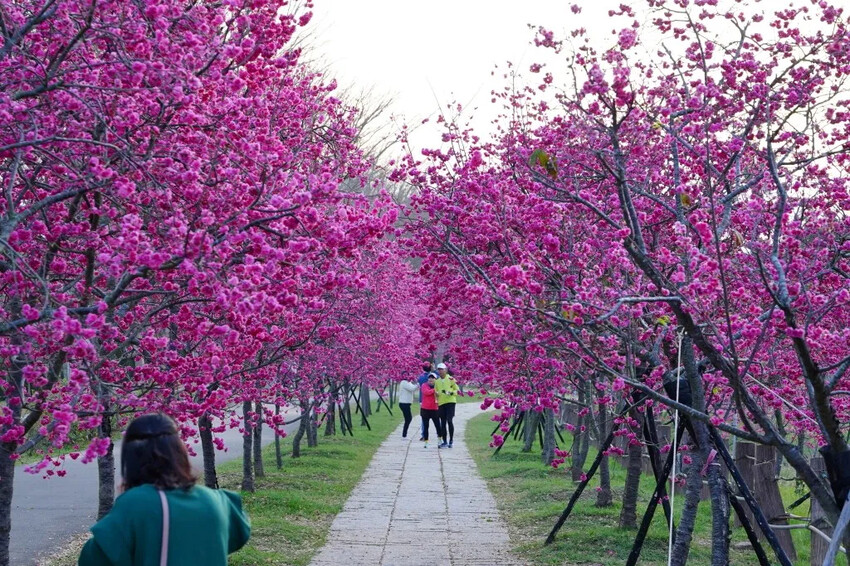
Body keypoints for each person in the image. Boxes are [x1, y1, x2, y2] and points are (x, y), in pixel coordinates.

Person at [78, 413, 251, 566]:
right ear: (179, 451)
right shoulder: (218, 501)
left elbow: (93, 558)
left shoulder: (133, 504)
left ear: (130, 458)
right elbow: (238, 533)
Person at [435, 363, 460, 448]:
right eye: (439, 369)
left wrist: (451, 392)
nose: (440, 371)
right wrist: (437, 395)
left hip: (450, 402)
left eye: (442, 369)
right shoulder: (437, 381)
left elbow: (457, 390)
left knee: (449, 420)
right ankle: (444, 441)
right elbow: (436, 392)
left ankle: (451, 440)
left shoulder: (450, 379)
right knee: (443, 422)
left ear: (445, 370)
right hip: (441, 403)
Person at [419, 374, 441, 449]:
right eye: (429, 379)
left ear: (435, 380)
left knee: (438, 425)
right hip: (425, 409)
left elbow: (441, 394)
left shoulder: (438, 386)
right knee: (426, 426)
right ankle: (426, 442)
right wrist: (434, 390)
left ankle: (439, 439)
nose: (431, 380)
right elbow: (426, 392)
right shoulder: (424, 385)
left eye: (433, 378)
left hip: (435, 409)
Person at [416, 362, 436, 440]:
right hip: (433, 400)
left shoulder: (420, 377)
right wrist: (434, 370)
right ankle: (439, 433)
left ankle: (424, 434)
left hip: (422, 400)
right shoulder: (433, 376)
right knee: (437, 418)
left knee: (424, 419)